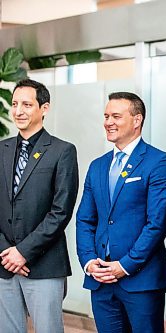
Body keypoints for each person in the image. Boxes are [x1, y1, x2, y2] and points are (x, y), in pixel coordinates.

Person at [76, 92, 166, 332]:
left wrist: (126, 265)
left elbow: (157, 223)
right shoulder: (97, 166)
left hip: (139, 280)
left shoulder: (159, 162)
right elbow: (85, 220)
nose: (108, 122)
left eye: (116, 116)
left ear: (137, 120)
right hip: (100, 279)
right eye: (106, 116)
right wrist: (89, 262)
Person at [0, 79, 79, 333]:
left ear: (44, 108)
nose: (18, 111)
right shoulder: (1, 150)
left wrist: (23, 252)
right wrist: (6, 252)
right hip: (4, 264)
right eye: (14, 104)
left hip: (44, 265)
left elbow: (61, 211)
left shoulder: (62, 151)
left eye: (26, 104)